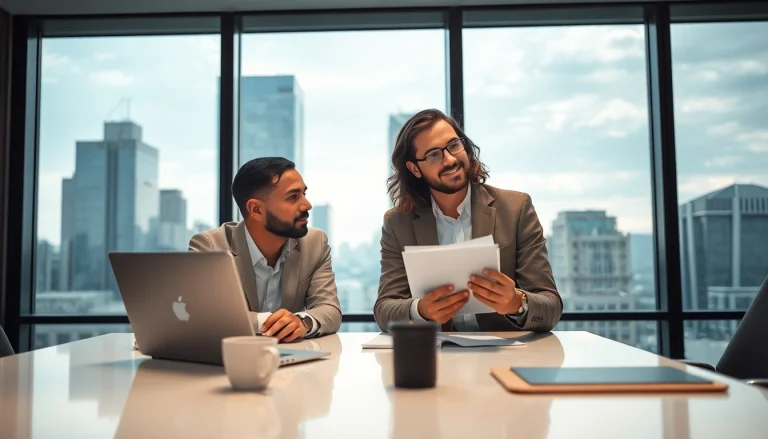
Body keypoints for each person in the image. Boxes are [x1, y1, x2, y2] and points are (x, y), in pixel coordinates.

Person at [374, 109, 562, 332]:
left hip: (503, 354)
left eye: (454, 145)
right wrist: (421, 310)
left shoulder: (516, 208)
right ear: (415, 168)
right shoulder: (398, 223)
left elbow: (551, 307)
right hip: (438, 355)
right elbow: (384, 309)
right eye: (434, 154)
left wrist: (517, 303)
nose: (450, 159)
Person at [189, 157, 341, 342]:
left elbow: (330, 309)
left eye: (304, 194)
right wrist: (269, 322)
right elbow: (205, 317)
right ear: (256, 210)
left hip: (292, 360)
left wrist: (302, 322)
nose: (307, 205)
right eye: (293, 197)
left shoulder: (315, 242)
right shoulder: (211, 247)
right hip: (230, 361)